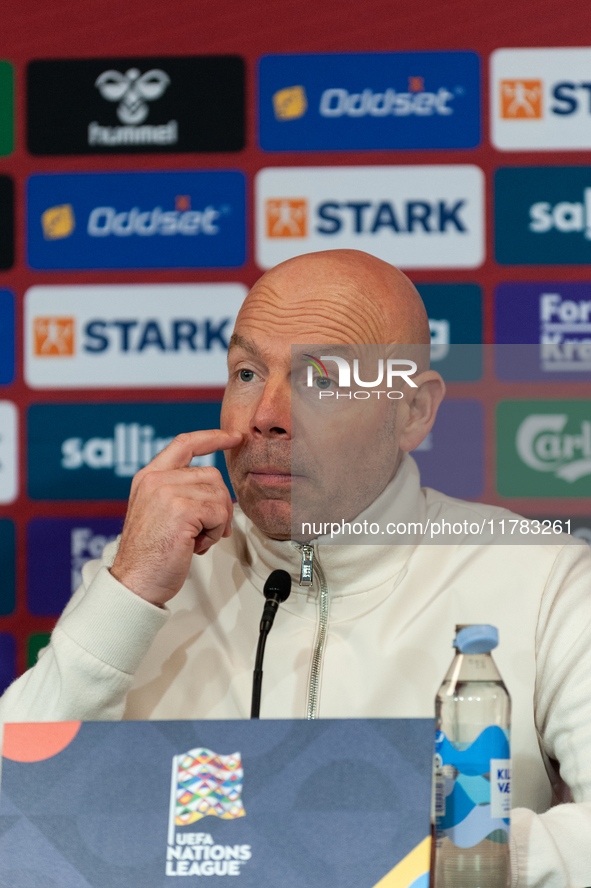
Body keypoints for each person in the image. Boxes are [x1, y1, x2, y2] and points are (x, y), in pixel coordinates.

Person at [1, 250, 590, 888]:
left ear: (413, 412)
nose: (266, 415)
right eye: (248, 372)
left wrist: (392, 845)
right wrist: (128, 594)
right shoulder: (145, 580)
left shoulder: (543, 579)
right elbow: (13, 822)